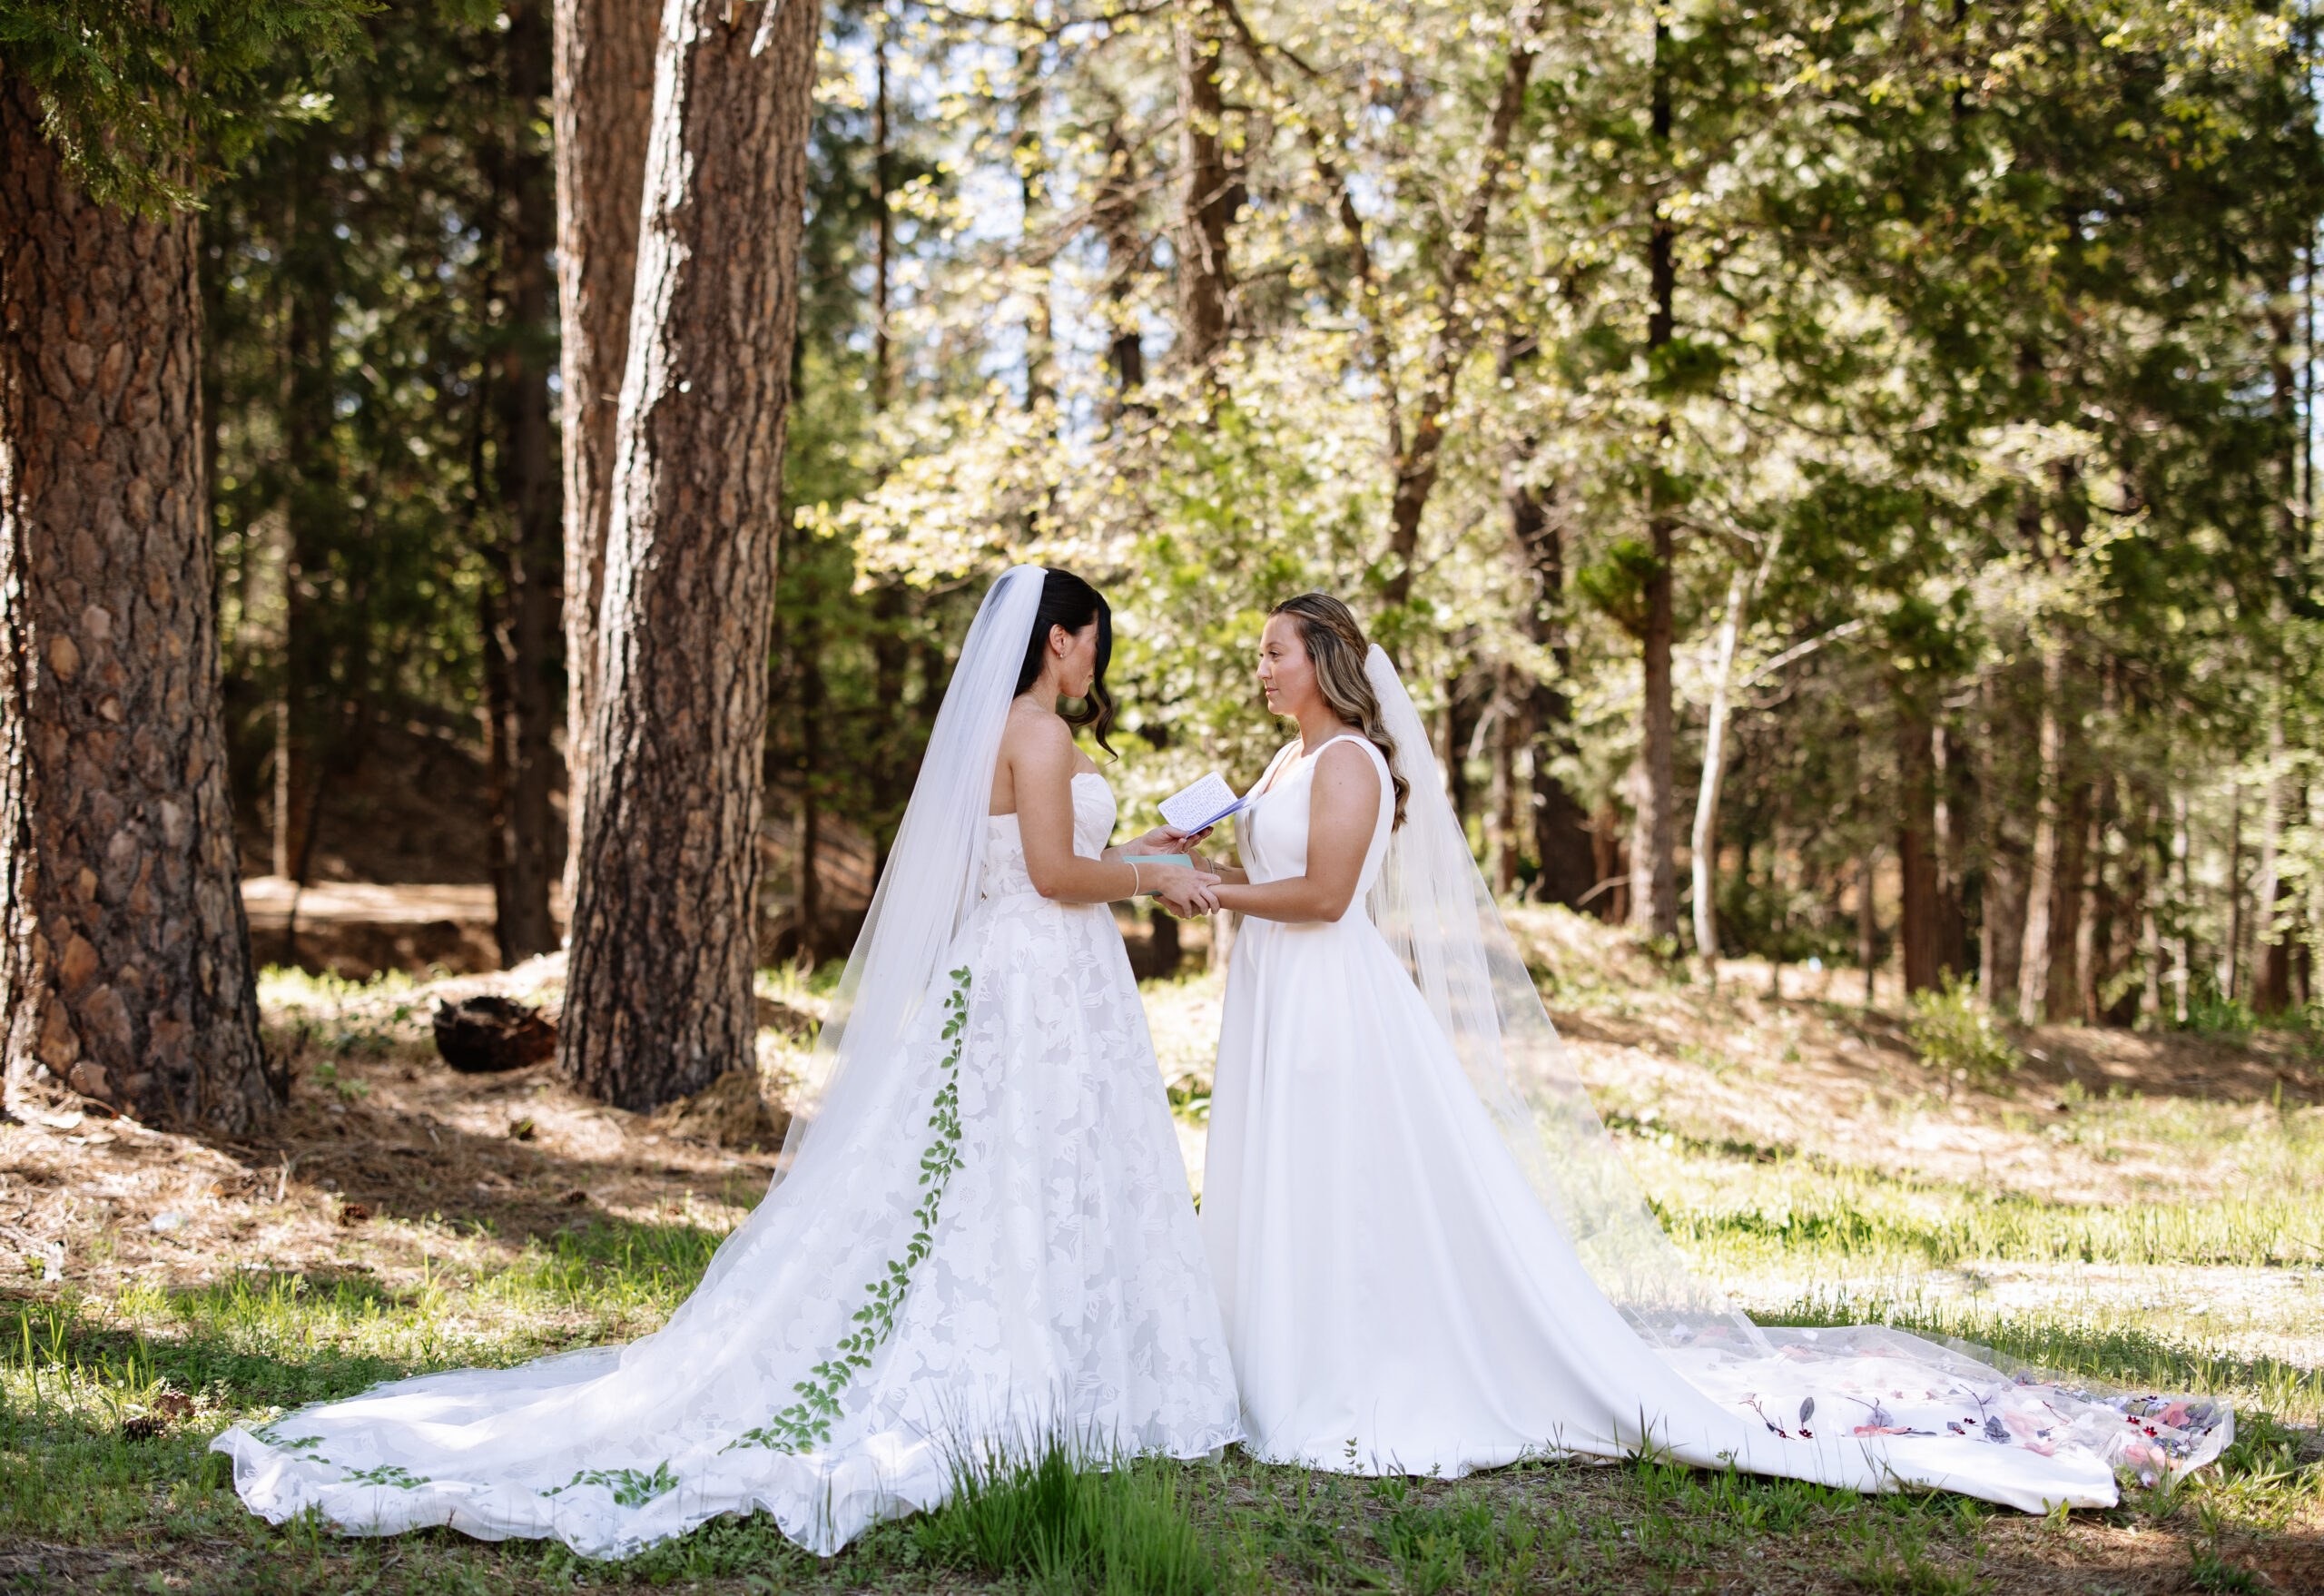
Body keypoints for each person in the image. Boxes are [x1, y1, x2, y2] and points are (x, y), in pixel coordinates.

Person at [213, 566, 1241, 1557]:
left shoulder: (998, 732)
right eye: (1094, 641)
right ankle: (1041, 1364)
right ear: (1060, 638)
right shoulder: (1043, 733)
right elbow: (1055, 875)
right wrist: (1153, 881)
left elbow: (1033, 860)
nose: (1096, 662)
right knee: (1029, 1162)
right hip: (1036, 975)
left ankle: (1040, 1347)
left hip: (1016, 969)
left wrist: (1148, 852)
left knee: (1007, 1163)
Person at [1187, 592, 2228, 1510]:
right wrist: (1178, 865)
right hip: (1277, 991)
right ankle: (1283, 1358)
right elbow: (1272, 869)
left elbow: (1326, 897)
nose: (1261, 667)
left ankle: (1346, 1373)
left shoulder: (1352, 761)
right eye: (1261, 653)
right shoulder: (1287, 759)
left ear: (1325, 660)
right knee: (1295, 1176)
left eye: (1276, 651)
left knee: (1342, 1180)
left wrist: (1206, 894)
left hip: (1330, 1000)